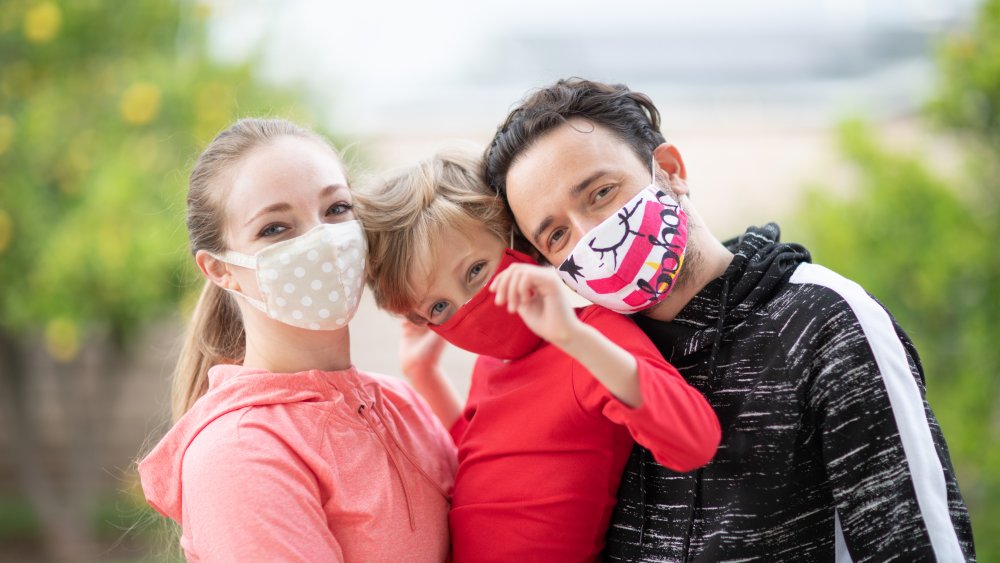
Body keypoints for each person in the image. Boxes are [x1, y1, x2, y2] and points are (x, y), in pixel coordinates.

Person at [482, 78, 976, 561]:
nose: (592, 236)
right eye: (557, 236)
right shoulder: (590, 364)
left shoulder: (825, 322)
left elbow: (918, 544)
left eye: (601, 193)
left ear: (671, 170)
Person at [355, 148, 721, 561]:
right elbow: (492, 474)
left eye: (476, 271)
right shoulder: (491, 365)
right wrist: (426, 377)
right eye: (439, 307)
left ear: (521, 245)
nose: (469, 307)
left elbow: (694, 440)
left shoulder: (590, 333)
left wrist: (571, 335)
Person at [138, 118, 457, 561]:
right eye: (275, 228)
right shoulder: (240, 451)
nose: (323, 239)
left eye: (337, 209)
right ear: (220, 269)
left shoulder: (401, 402)